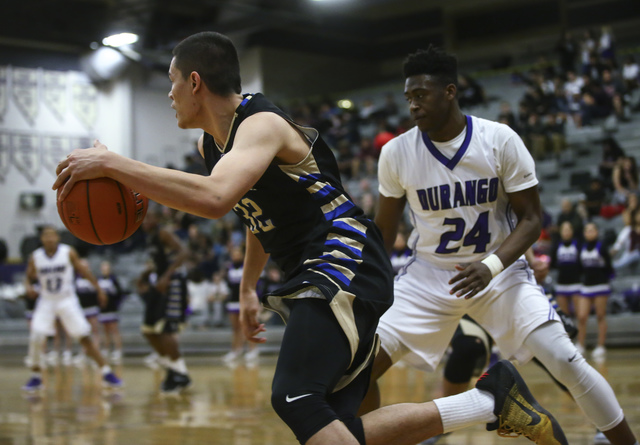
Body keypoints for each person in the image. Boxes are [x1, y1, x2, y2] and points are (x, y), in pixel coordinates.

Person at [53, 31, 568, 445]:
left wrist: (113, 164)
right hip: (325, 269)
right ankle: (490, 400)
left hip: (342, 255)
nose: (167, 94)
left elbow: (214, 200)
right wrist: (248, 287)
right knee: (338, 426)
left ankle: (492, 400)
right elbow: (256, 215)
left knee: (293, 397)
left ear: (194, 81)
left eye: (169, 82)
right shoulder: (216, 145)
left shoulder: (260, 123)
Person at [364, 46, 636, 445]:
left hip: (499, 273)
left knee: (564, 359)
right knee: (357, 368)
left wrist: (490, 266)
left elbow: (531, 219)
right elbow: (382, 233)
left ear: (450, 91)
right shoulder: (396, 152)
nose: (413, 106)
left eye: (420, 95)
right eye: (409, 98)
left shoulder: (499, 139)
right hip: (428, 277)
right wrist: (364, 287)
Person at [22, 226, 122, 392]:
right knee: (36, 336)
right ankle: (36, 376)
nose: (49, 239)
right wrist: (28, 287)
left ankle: (106, 371)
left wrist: (98, 289)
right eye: (46, 236)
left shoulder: (68, 252)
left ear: (58, 238)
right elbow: (28, 277)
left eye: (52, 235)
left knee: (84, 336)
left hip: (66, 299)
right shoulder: (36, 257)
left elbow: (84, 271)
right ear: (41, 239)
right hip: (46, 300)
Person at [137, 208, 191, 393]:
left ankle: (179, 374)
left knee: (166, 329)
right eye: (142, 219)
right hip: (159, 282)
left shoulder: (163, 232)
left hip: (173, 283)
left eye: (148, 217)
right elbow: (157, 262)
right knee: (149, 330)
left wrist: (167, 276)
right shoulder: (150, 237)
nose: (144, 222)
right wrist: (144, 275)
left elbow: (184, 252)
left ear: (157, 218)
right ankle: (174, 370)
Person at [576, 222, 613, 362]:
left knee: (600, 315)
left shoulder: (602, 247)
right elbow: (580, 267)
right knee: (581, 316)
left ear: (596, 232)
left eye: (592, 230)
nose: (589, 232)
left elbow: (609, 267)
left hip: (601, 286)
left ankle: (601, 346)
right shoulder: (582, 247)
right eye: (587, 230)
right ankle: (580, 344)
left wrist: (605, 279)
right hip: (586, 286)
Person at [550, 222, 582, 318]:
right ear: (560, 232)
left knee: (579, 315)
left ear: (572, 231)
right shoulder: (557, 245)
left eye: (568, 230)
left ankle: (581, 333)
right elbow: (553, 263)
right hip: (561, 283)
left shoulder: (578, 244)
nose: (566, 232)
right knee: (564, 316)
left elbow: (581, 263)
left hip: (575, 282)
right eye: (564, 230)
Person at [97, 260, 125, 364]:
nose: (105, 270)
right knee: (105, 331)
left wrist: (116, 304)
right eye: (103, 268)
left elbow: (120, 293)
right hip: (103, 309)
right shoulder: (98, 280)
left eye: (106, 268)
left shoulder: (114, 279)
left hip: (112, 309)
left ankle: (118, 350)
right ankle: (106, 349)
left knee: (114, 330)